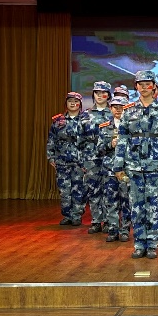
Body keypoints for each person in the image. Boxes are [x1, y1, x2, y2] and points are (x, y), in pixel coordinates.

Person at [114, 71, 158, 259]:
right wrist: (118, 166)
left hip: (155, 165)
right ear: (136, 87)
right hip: (133, 166)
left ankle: (152, 244)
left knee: (154, 206)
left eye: (147, 83)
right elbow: (122, 139)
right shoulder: (129, 111)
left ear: (154, 87)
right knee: (137, 206)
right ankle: (139, 244)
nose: (143, 87)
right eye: (140, 83)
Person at [46, 91, 90, 226]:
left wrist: (88, 160)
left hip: (79, 162)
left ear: (80, 104)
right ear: (66, 103)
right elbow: (51, 140)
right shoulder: (58, 121)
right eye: (70, 101)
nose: (73, 103)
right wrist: (50, 157)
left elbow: (89, 142)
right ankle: (67, 215)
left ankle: (76, 215)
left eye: (76, 101)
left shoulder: (85, 120)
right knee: (64, 191)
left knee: (78, 190)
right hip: (62, 161)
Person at [96, 92, 131, 242]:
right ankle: (113, 230)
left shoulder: (132, 126)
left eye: (121, 107)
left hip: (127, 169)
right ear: (110, 109)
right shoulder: (104, 127)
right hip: (110, 170)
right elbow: (99, 149)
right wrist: (110, 144)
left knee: (126, 201)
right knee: (111, 201)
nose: (118, 109)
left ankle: (125, 230)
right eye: (115, 107)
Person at [84, 80, 113, 233]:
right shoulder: (86, 114)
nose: (100, 95)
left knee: (109, 190)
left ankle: (109, 220)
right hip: (91, 156)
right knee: (93, 190)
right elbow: (80, 138)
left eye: (103, 93)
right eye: (97, 93)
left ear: (109, 95)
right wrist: (82, 159)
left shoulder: (113, 113)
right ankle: (96, 220)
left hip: (109, 156)